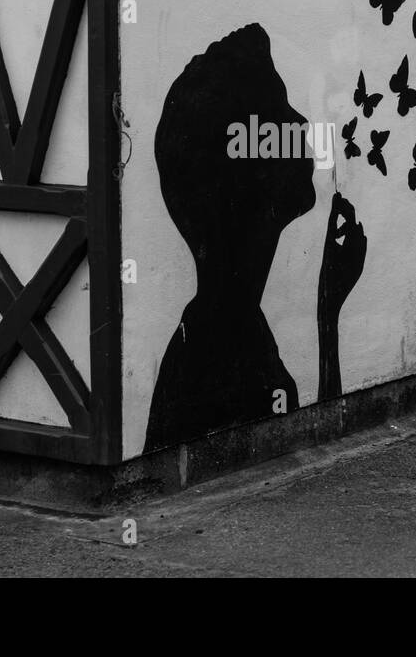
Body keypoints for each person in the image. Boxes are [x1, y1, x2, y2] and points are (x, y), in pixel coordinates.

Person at [145, 23, 367, 452]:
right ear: (240, 173)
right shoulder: (217, 344)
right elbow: (301, 481)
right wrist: (327, 317)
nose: (300, 123)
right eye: (278, 110)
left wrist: (328, 311)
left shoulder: (231, 320)